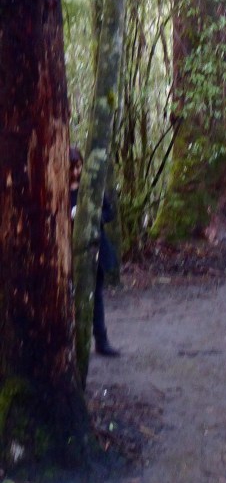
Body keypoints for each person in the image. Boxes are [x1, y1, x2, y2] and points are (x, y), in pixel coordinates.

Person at [69, 146, 120, 356]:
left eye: (78, 167)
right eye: (71, 168)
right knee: (69, 298)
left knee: (95, 295)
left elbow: (109, 212)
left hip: (93, 249)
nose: (75, 172)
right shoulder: (57, 188)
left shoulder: (90, 186)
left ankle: (101, 340)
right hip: (68, 252)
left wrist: (90, 215)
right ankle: (72, 343)